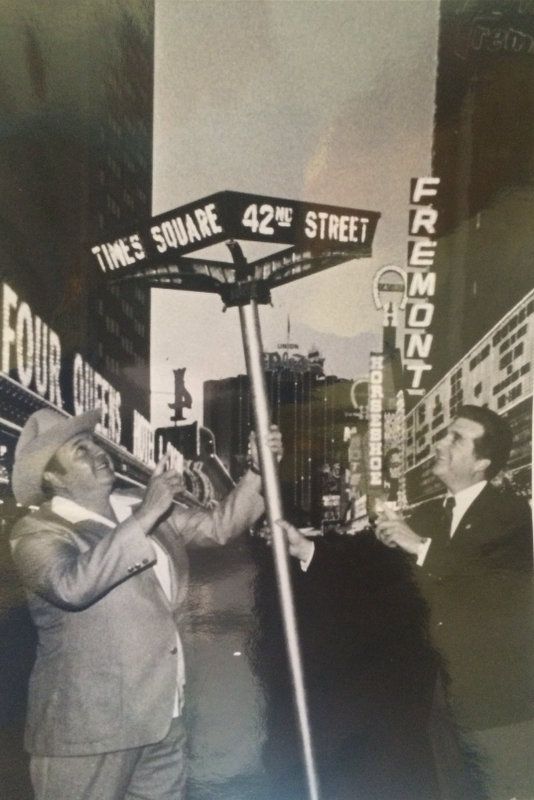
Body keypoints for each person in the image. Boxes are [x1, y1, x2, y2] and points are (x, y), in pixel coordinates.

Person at [9, 406, 282, 800]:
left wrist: (258, 471)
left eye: (94, 443)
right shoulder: (36, 532)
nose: (99, 453)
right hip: (89, 734)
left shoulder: (135, 507)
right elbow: (72, 585)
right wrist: (148, 514)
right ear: (52, 476)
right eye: (80, 451)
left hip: (161, 720)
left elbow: (221, 525)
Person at [373, 405, 534, 800]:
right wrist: (307, 548)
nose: (439, 443)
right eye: (444, 434)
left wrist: (417, 546)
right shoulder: (428, 514)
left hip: (498, 706)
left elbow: (483, 584)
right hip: (443, 702)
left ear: (482, 462)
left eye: (455, 439)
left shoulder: (510, 515)